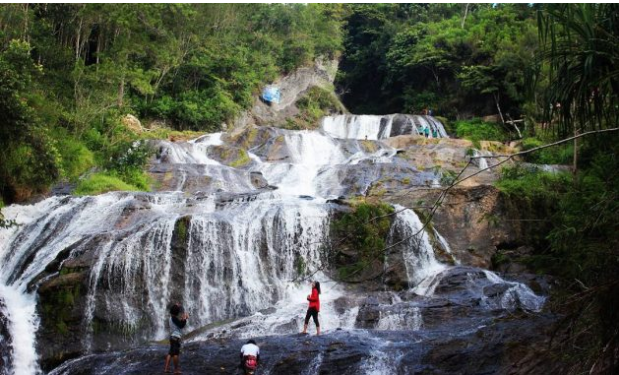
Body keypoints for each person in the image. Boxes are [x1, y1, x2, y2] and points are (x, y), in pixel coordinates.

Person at [164, 303, 189, 374]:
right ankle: (176, 370)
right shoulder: (174, 318)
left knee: (170, 353)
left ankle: (166, 368)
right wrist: (185, 319)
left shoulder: (171, 318)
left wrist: (182, 319)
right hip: (176, 338)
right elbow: (181, 326)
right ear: (177, 312)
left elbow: (178, 324)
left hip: (172, 337)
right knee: (175, 354)